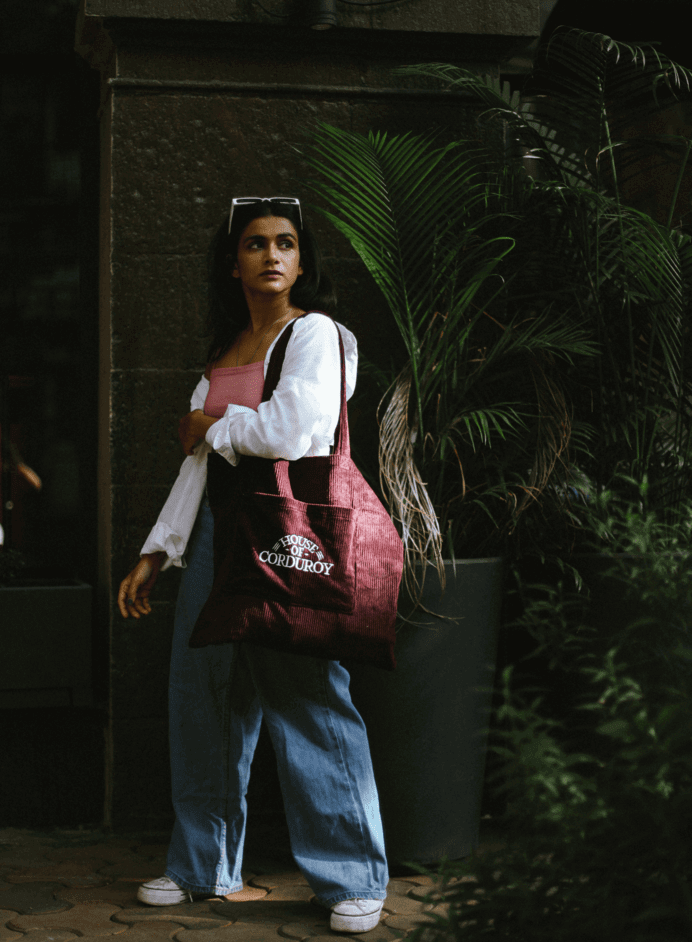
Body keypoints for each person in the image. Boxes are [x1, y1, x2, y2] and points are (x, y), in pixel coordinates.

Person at [117, 196, 389, 934]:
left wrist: (213, 423)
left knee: (307, 692)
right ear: (232, 260)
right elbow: (199, 469)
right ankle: (201, 865)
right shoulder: (227, 347)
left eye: (286, 243)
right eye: (255, 243)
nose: (271, 255)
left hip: (286, 532)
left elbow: (295, 430)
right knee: (201, 699)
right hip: (215, 533)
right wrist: (158, 550)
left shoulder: (317, 334)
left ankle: (353, 878)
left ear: (303, 261)